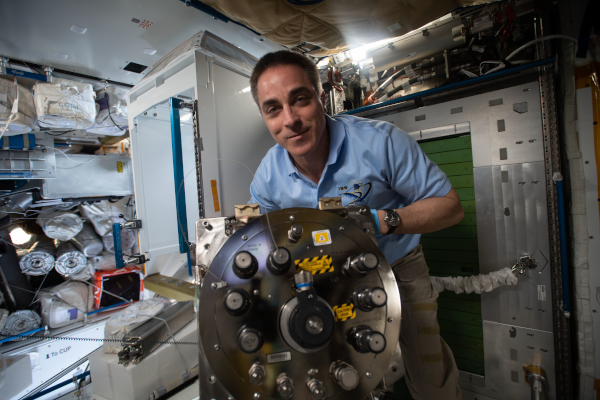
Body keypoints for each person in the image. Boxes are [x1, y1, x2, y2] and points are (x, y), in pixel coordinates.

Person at [248, 50, 464, 400]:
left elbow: (450, 207)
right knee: (346, 379)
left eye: (299, 100)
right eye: (273, 108)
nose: (290, 119)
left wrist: (377, 221)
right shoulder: (267, 179)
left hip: (398, 268)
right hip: (326, 282)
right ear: (264, 116)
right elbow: (270, 246)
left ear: (320, 98)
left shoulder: (380, 142)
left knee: (429, 375)